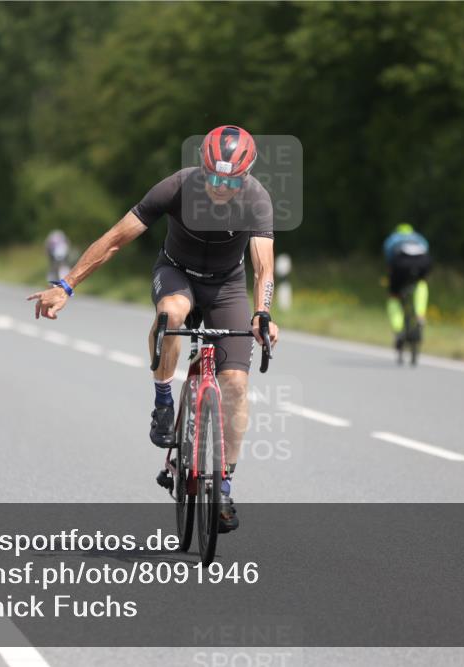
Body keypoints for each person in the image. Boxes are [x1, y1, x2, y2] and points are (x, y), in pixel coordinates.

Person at [27, 125, 279, 533]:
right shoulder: (177, 188)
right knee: (172, 314)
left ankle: (225, 483)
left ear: (244, 177)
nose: (219, 187)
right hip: (176, 272)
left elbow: (263, 266)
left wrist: (263, 313)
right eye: (212, 176)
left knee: (235, 383)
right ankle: (163, 399)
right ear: (202, 169)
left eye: (229, 181)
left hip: (226, 286)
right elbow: (114, 239)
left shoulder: (256, 199)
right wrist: (67, 285)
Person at [383, 223, 431, 351]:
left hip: (401, 264)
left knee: (394, 297)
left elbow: (389, 260)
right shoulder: (419, 238)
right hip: (422, 262)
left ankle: (398, 330)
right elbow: (427, 250)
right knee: (421, 283)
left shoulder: (393, 238)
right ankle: (420, 315)